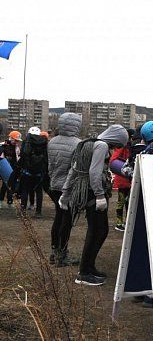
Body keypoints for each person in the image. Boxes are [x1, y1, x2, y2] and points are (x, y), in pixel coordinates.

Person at [61, 124, 129, 286]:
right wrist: (99, 195)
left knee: (98, 230)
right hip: (93, 194)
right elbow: (94, 172)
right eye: (118, 144)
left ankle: (89, 268)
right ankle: (85, 272)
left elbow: (74, 169)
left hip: (84, 192)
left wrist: (65, 193)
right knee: (98, 230)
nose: (116, 148)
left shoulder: (87, 143)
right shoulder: (102, 146)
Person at [48, 113, 82, 266]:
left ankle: (54, 251)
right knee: (66, 221)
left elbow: (50, 166)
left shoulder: (52, 142)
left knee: (58, 218)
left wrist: (53, 179)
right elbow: (74, 170)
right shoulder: (78, 144)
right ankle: (62, 255)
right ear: (75, 125)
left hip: (54, 185)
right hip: (68, 188)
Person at [17, 127, 48, 218]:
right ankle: (38, 212)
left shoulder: (26, 141)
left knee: (25, 190)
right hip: (39, 172)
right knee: (39, 192)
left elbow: (23, 155)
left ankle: (23, 211)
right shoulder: (44, 141)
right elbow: (46, 156)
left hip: (27, 172)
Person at [109, 128, 135, 231]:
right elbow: (113, 160)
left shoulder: (130, 147)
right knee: (121, 202)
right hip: (122, 180)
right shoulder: (122, 147)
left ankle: (128, 222)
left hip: (127, 180)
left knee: (129, 202)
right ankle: (119, 223)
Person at [0, 131, 21, 209]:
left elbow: (18, 158)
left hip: (13, 169)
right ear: (11, 138)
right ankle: (1, 201)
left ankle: (10, 202)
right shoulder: (3, 145)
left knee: (11, 186)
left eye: (17, 140)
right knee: (4, 186)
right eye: (16, 140)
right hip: (4, 168)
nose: (17, 142)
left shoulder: (17, 147)